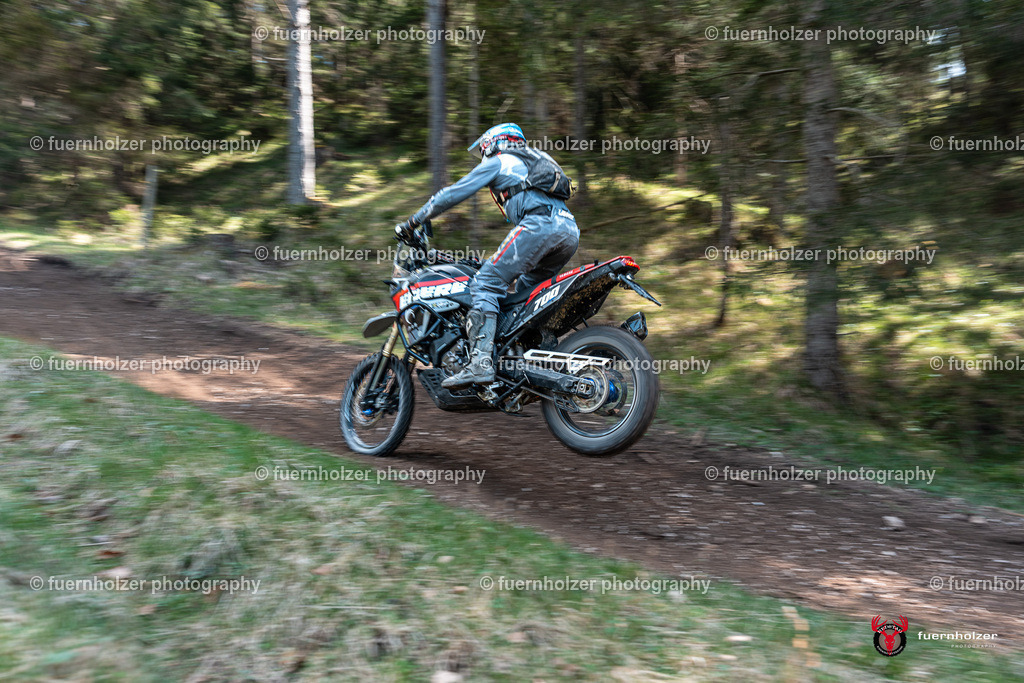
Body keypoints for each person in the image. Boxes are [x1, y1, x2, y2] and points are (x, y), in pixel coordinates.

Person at [395, 122, 579, 389]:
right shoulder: (538, 158)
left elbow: (452, 194)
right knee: (526, 294)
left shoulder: (501, 161)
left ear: (494, 143)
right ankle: (523, 357)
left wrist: (413, 222)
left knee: (485, 283)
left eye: (484, 149)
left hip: (539, 226)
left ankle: (479, 363)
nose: (483, 155)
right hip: (568, 230)